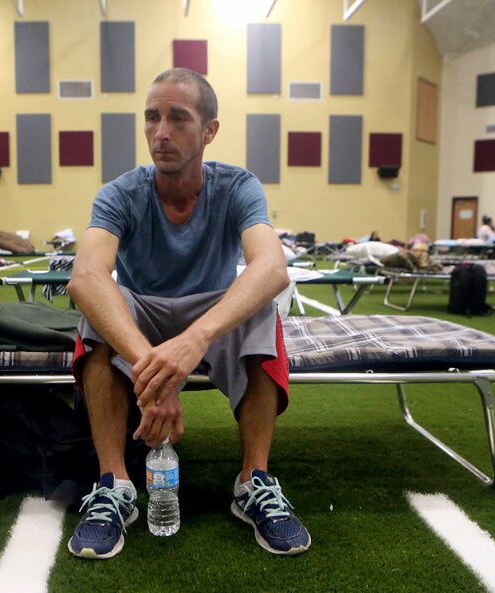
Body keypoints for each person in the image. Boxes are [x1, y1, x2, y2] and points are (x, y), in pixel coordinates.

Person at [65, 68, 311, 559]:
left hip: (210, 312)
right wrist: (151, 372)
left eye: (178, 118)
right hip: (144, 317)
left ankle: (253, 480)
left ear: (209, 130)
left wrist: (194, 339)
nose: (161, 132)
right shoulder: (120, 193)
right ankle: (114, 484)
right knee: (96, 311)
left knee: (261, 307)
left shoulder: (237, 187)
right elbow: (86, 277)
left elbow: (272, 267)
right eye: (153, 118)